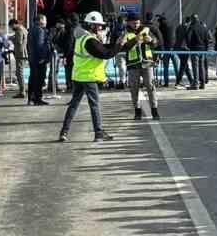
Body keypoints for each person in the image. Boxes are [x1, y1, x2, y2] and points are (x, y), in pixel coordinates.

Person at [58, 11, 123, 141]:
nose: (100, 27)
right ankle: (98, 132)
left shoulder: (82, 37)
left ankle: (64, 132)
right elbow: (105, 54)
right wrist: (119, 45)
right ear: (92, 25)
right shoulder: (90, 40)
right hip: (89, 77)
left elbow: (103, 47)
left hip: (78, 76)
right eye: (98, 25)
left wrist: (115, 44)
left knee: (74, 105)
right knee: (94, 105)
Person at [122, 9, 160, 120]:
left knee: (151, 86)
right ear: (128, 22)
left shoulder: (147, 30)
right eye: (133, 22)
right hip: (133, 65)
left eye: (138, 22)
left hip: (147, 63)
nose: (136, 24)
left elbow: (157, 43)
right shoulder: (125, 32)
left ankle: (154, 110)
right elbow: (124, 47)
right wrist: (135, 40)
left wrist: (151, 41)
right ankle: (137, 111)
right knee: (134, 89)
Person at [27, 12, 53, 105]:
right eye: (45, 19)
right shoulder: (40, 30)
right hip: (39, 59)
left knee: (33, 78)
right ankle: (37, 98)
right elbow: (40, 45)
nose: (46, 22)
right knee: (39, 79)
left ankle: (31, 98)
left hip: (33, 58)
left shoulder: (32, 29)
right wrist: (42, 57)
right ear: (41, 20)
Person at [8, 18, 27, 98]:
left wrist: (11, 38)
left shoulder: (19, 29)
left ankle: (22, 91)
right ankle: (22, 90)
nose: (11, 28)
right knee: (19, 72)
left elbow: (18, 41)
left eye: (11, 26)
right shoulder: (23, 29)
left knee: (19, 73)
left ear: (14, 24)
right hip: (22, 53)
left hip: (20, 54)